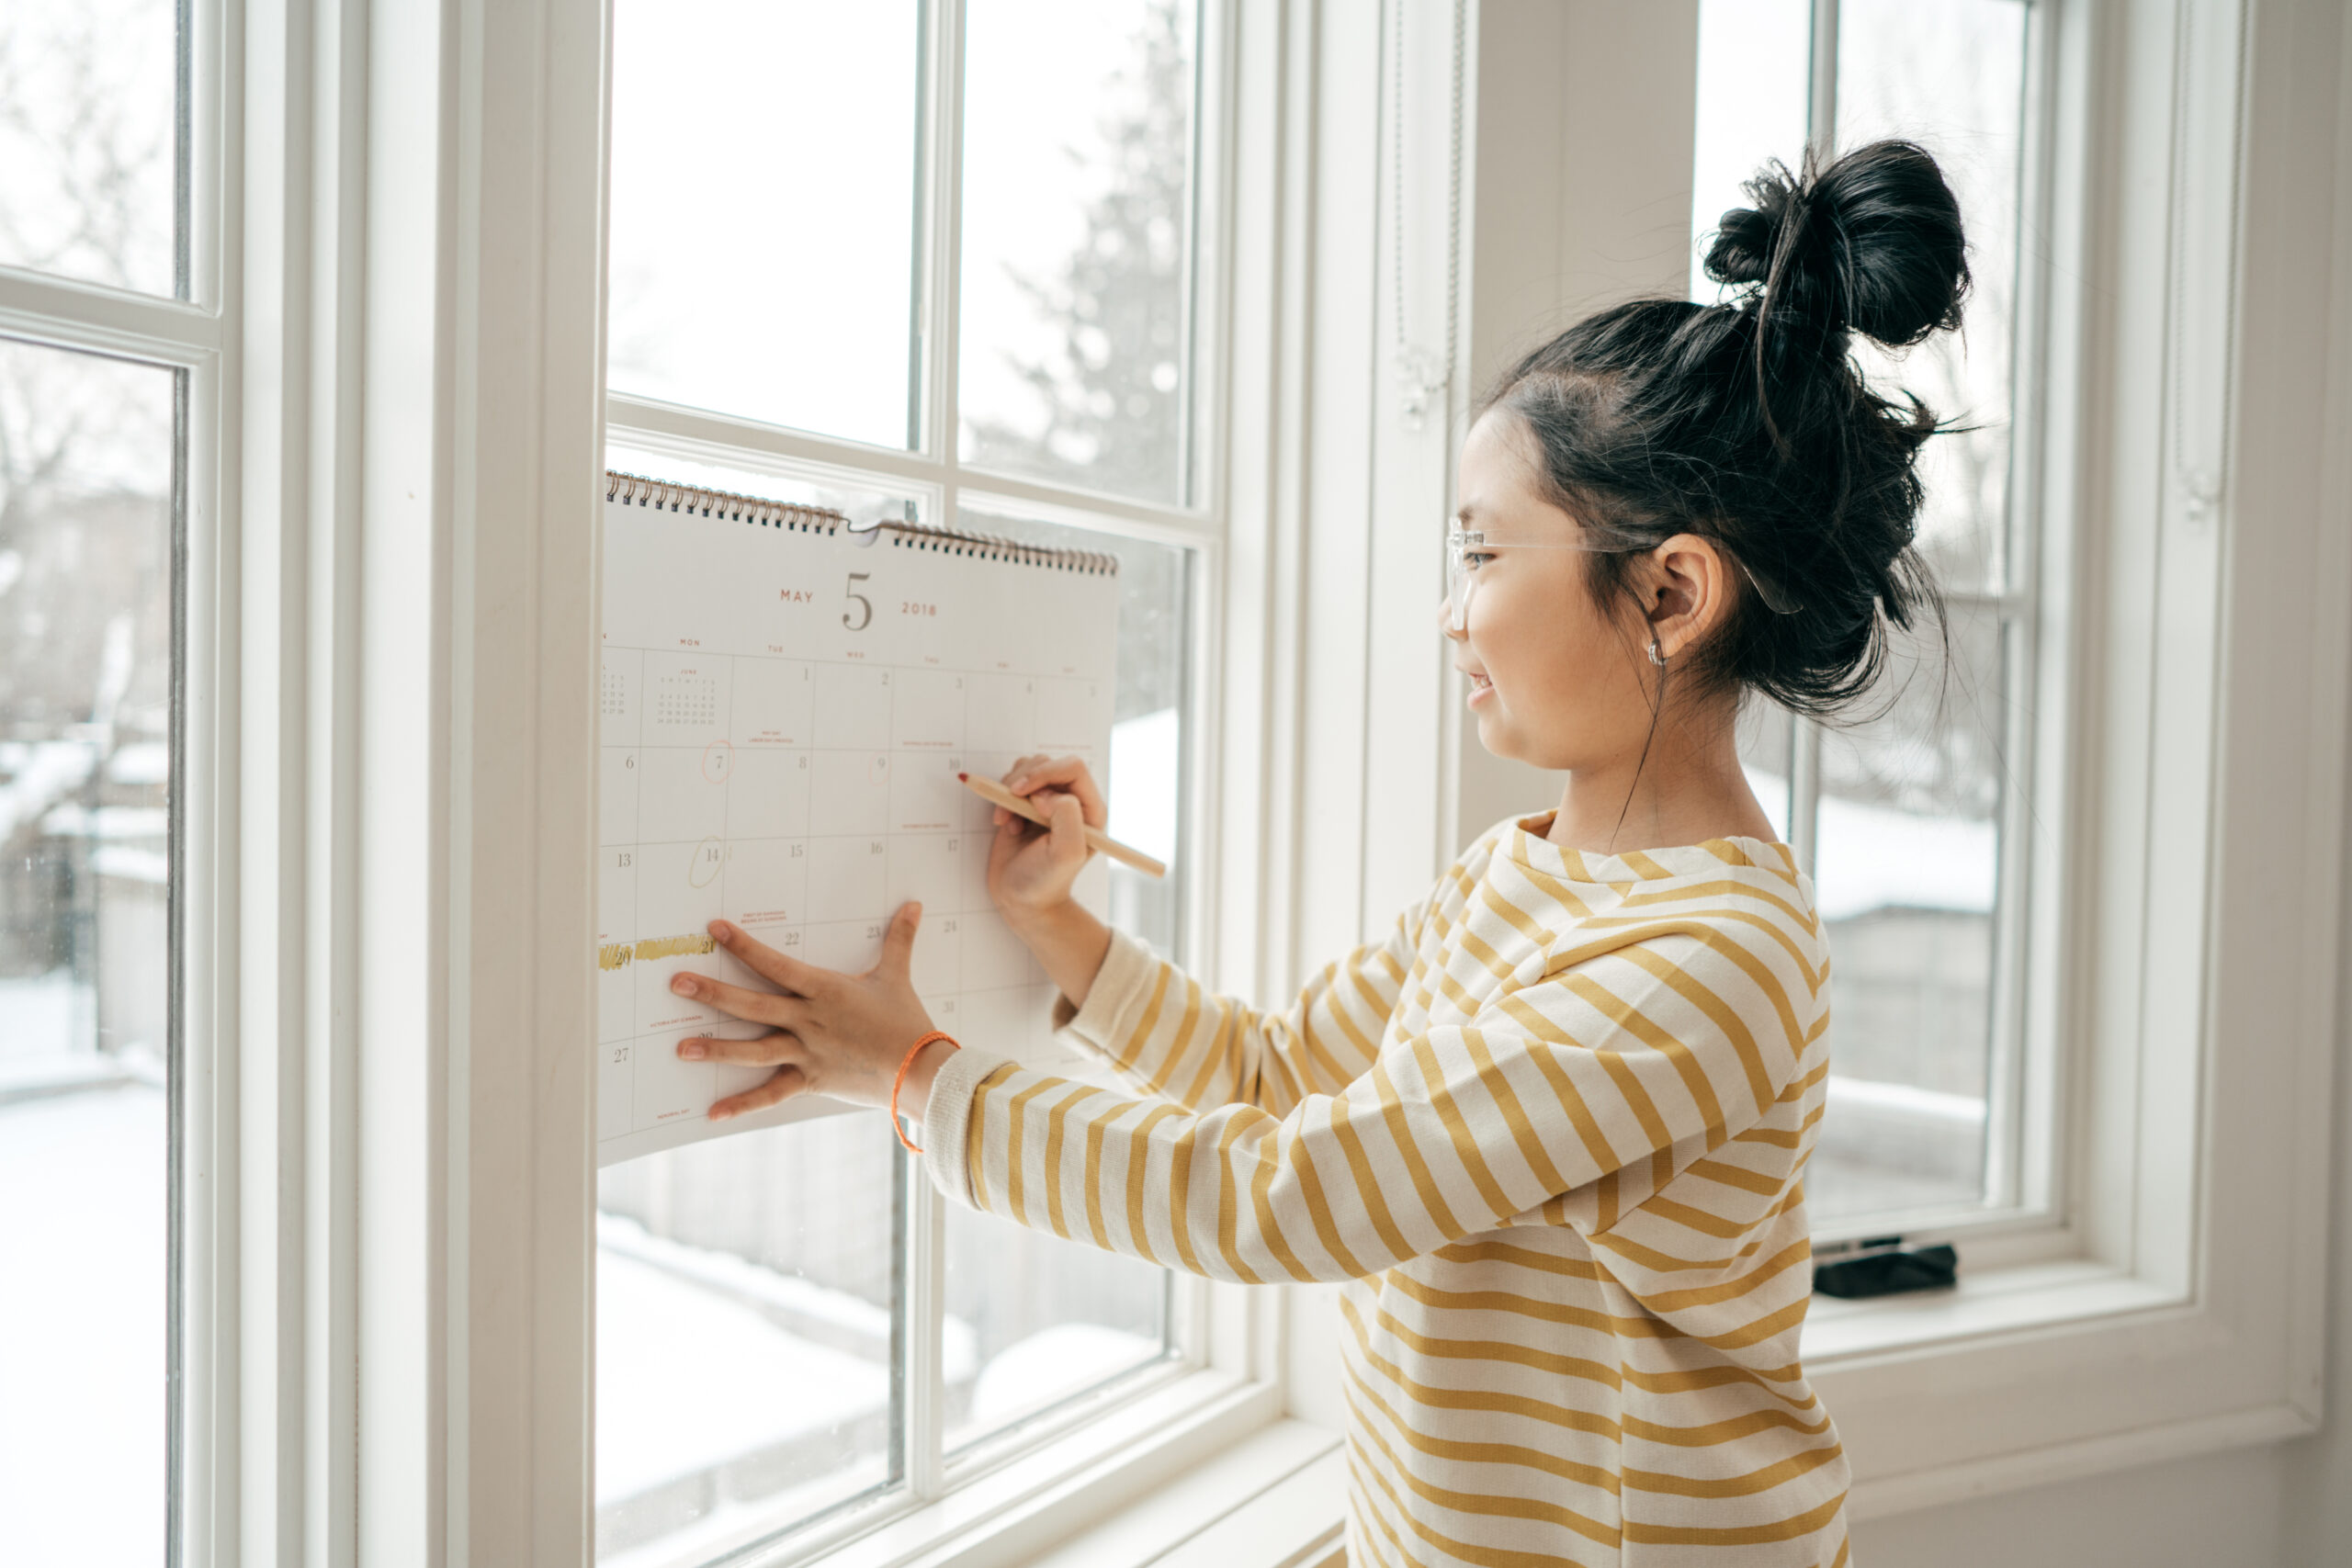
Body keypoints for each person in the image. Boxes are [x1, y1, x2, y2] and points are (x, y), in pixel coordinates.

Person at [665, 138, 1972, 1565]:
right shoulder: (1517, 873)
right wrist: (1062, 927)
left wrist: (912, 1076)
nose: (1451, 611)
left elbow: (1282, 1192)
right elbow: (1280, 1076)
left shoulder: (1711, 963)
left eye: (1483, 555)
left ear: (1668, 594)